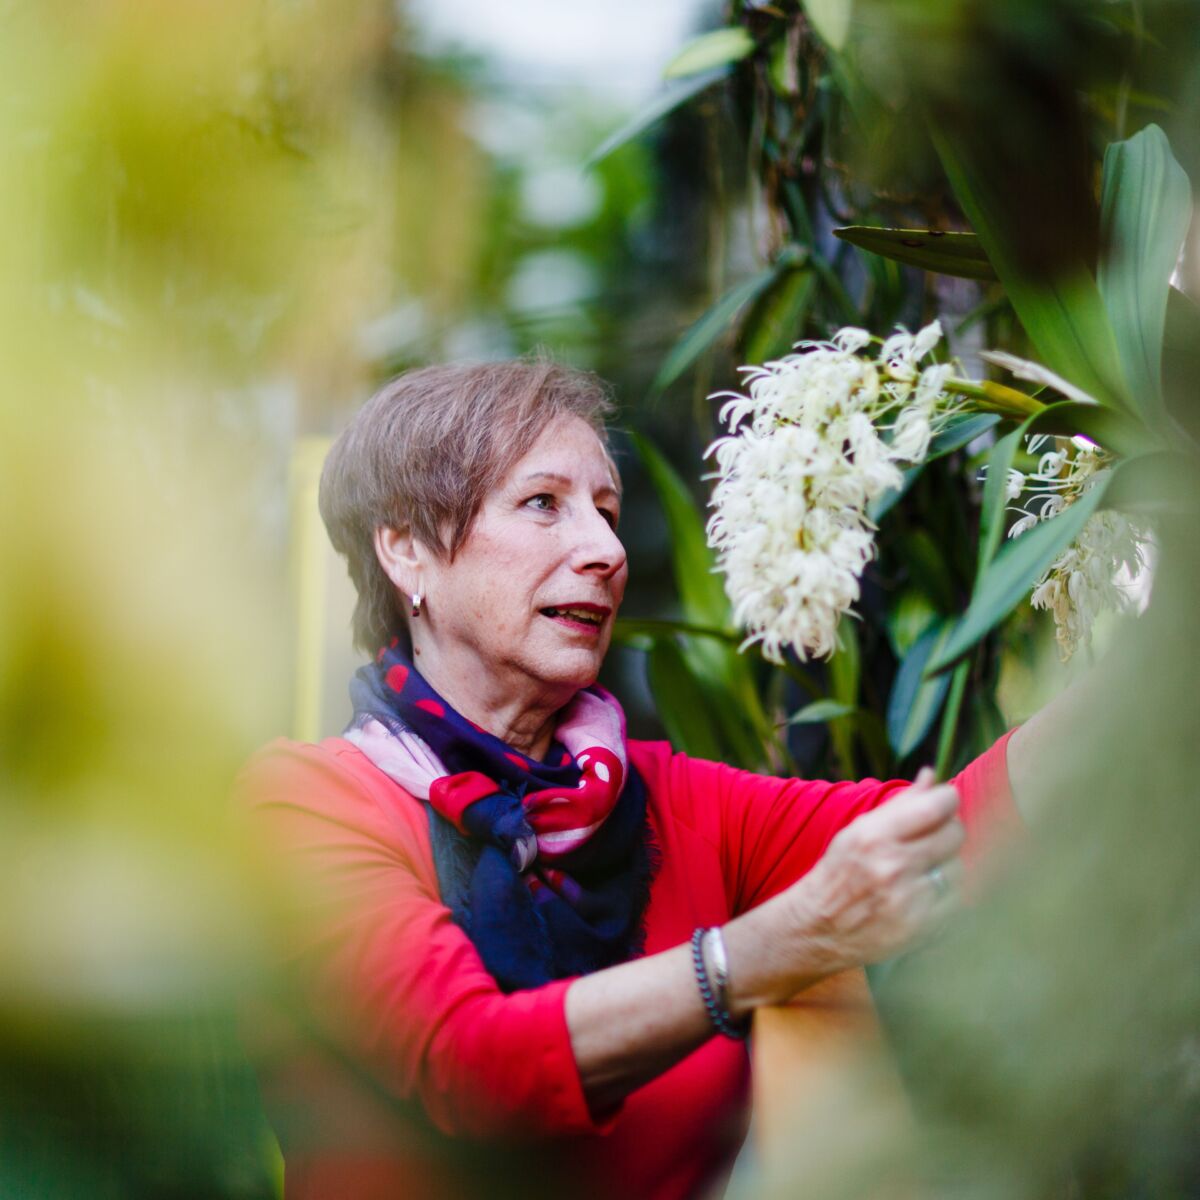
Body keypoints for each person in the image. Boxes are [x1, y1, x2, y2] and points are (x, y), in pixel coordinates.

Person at [237, 359, 1028, 1200]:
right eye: (544, 503)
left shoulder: (673, 801)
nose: (608, 551)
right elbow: (474, 1063)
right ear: (405, 552)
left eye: (608, 513)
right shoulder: (306, 805)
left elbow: (965, 821)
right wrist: (764, 951)